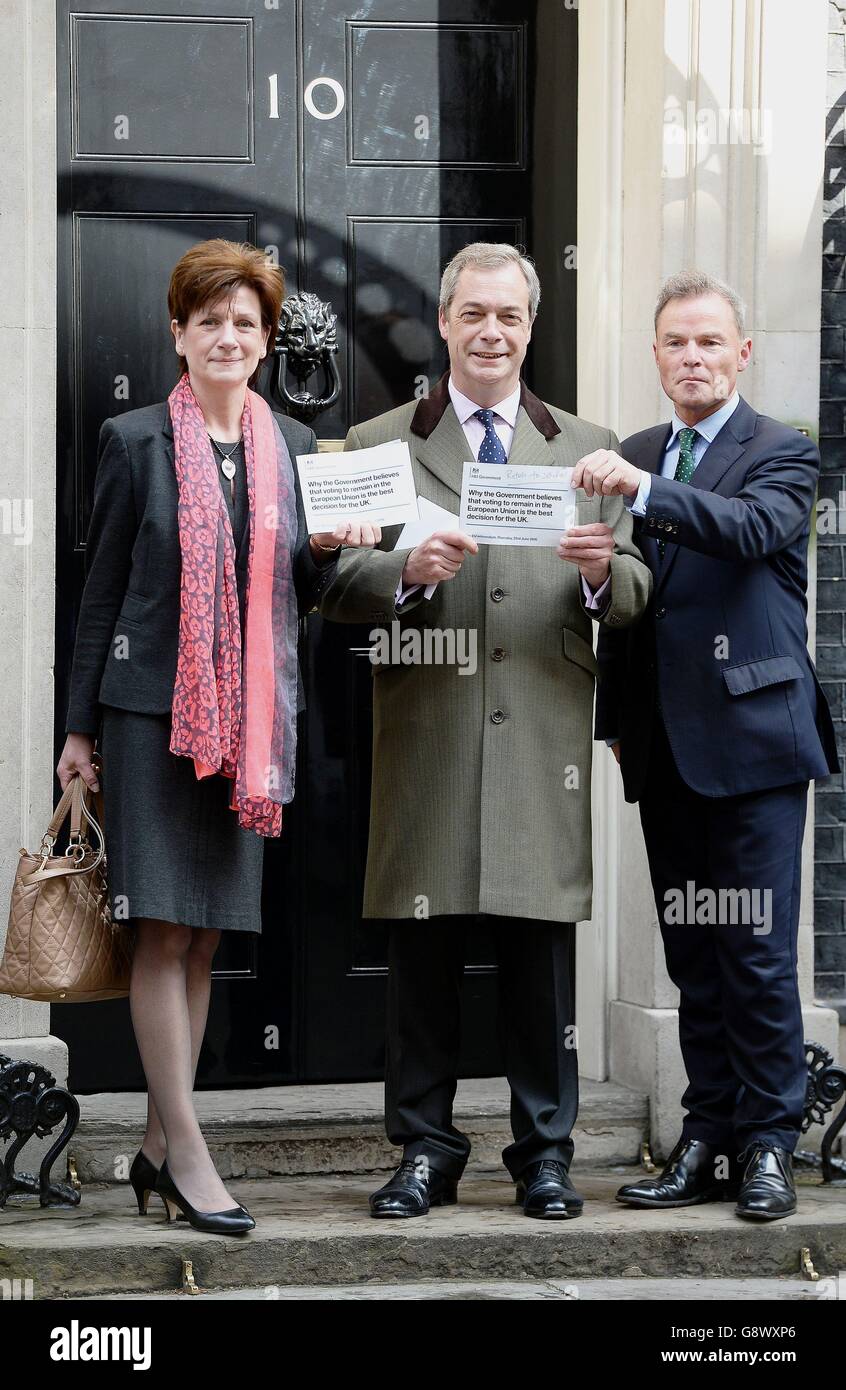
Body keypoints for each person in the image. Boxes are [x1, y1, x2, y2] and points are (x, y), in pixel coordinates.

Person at [319, 242, 651, 1219]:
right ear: (447, 320)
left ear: (530, 327)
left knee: (538, 965)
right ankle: (424, 1148)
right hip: (427, 731)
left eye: (509, 316)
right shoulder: (379, 439)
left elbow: (632, 592)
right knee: (420, 963)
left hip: (541, 737)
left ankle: (543, 1153)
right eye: (475, 314)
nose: (492, 332)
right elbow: (331, 581)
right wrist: (406, 572)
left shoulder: (589, 449)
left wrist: (598, 571)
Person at [57, 239, 380, 1235]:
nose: (228, 337)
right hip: (152, 718)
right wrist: (76, 731)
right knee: (162, 930)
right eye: (210, 321)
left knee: (201, 937)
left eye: (246, 322)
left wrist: (336, 554)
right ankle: (191, 1151)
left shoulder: (288, 450)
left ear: (267, 338)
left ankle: (161, 1144)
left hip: (247, 725)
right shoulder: (135, 440)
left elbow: (301, 590)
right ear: (178, 333)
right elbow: (98, 587)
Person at [578, 270, 839, 1221]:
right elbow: (626, 601)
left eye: (708, 343)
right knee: (693, 955)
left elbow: (751, 531)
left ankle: (771, 1144)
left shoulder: (783, 451)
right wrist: (615, 721)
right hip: (664, 748)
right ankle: (707, 1138)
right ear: (656, 355)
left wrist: (644, 488)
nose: (692, 358)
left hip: (759, 744)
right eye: (675, 344)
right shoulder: (637, 450)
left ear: (742, 352)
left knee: (758, 953)